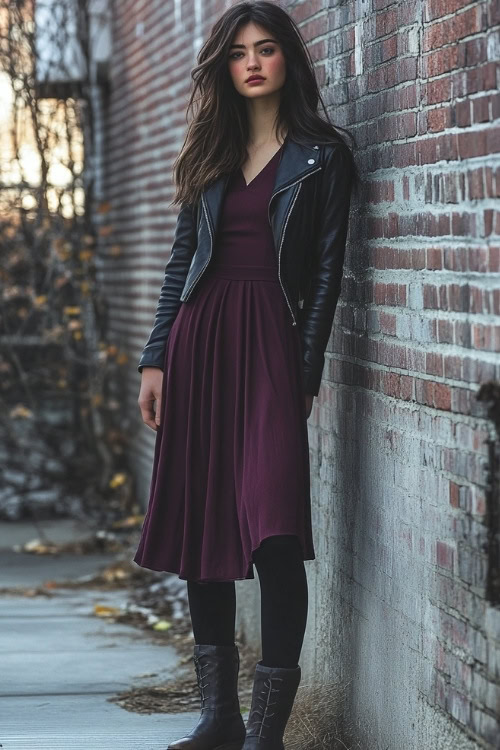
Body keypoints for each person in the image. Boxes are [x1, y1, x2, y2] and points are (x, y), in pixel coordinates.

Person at [135, 2, 358, 748]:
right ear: (223, 67)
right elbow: (180, 266)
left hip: (269, 343)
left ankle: (268, 733)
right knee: (204, 531)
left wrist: (304, 372)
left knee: (274, 532)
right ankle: (219, 719)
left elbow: (327, 275)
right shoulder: (208, 150)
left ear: (288, 59)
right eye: (238, 52)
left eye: (266, 49)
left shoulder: (324, 156)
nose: (253, 62)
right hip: (199, 344)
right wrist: (155, 356)